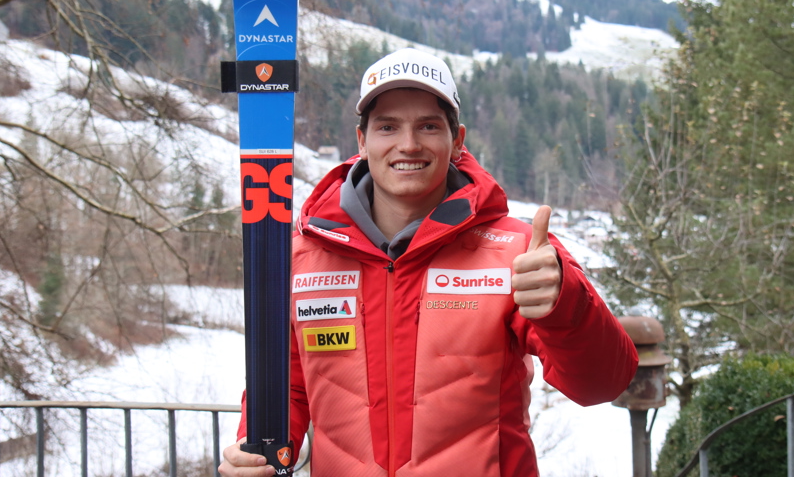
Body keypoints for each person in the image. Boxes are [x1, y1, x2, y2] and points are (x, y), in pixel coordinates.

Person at [220, 48, 638, 477]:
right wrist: (254, 455)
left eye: (428, 126)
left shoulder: (520, 254)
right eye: (388, 126)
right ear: (362, 141)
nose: (408, 144)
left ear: (456, 141)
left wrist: (566, 301)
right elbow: (287, 390)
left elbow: (603, 383)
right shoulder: (300, 258)